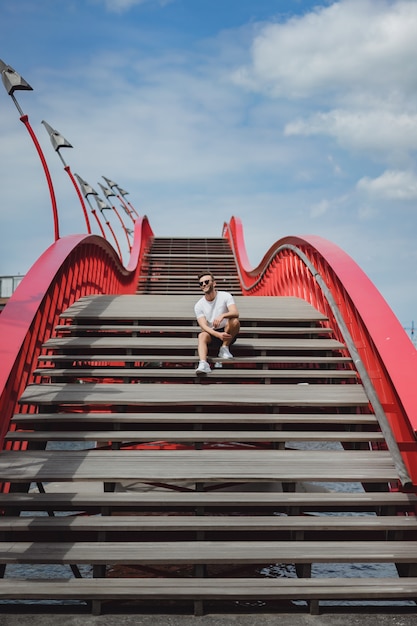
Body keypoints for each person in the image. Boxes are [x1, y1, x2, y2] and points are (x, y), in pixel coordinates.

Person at [194, 271, 240, 376]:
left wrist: (222, 316)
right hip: (212, 333)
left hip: (228, 333)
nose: (204, 284)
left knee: (235, 321)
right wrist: (218, 335)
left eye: (206, 281)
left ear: (214, 283)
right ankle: (203, 363)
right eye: (201, 283)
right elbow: (203, 326)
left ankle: (224, 348)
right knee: (202, 335)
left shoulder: (225, 296)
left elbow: (235, 312)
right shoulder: (199, 305)